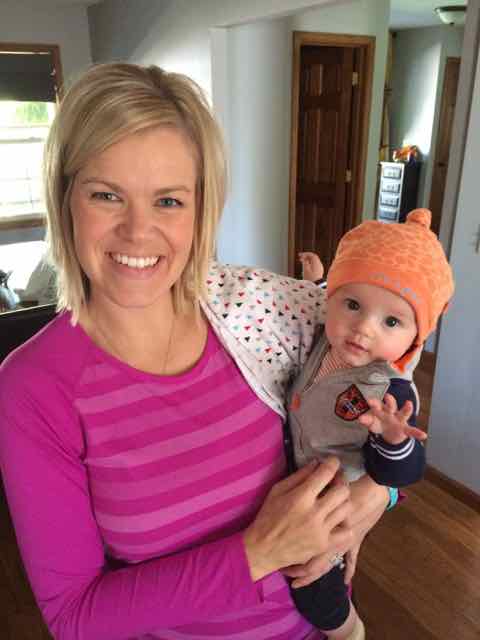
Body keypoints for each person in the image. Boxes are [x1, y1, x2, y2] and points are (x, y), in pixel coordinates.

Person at [0, 63, 391, 640]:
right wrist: (257, 552)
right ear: (65, 199)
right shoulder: (35, 387)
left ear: (201, 208)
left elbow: (386, 365)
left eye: (168, 201)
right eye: (106, 195)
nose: (138, 231)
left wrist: (379, 491)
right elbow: (74, 616)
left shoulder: (257, 311)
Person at [288, 211, 455, 639]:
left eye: (391, 322)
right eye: (353, 305)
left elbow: (401, 473)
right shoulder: (330, 336)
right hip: (303, 477)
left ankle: (350, 631)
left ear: (415, 337)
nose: (363, 328)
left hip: (337, 502)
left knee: (313, 585)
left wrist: (393, 440)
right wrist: (318, 280)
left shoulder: (390, 390)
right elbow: (330, 296)